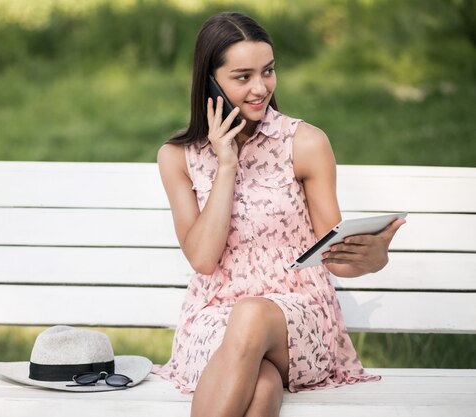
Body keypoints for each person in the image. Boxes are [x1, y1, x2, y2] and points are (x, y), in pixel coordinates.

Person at [151, 11, 406, 417]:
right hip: (214, 319)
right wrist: (227, 164)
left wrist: (373, 259)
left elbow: (332, 253)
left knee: (251, 314)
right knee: (262, 382)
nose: (260, 88)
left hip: (299, 314)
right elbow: (202, 258)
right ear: (210, 81)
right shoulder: (177, 158)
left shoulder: (305, 143)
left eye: (267, 71)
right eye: (242, 77)